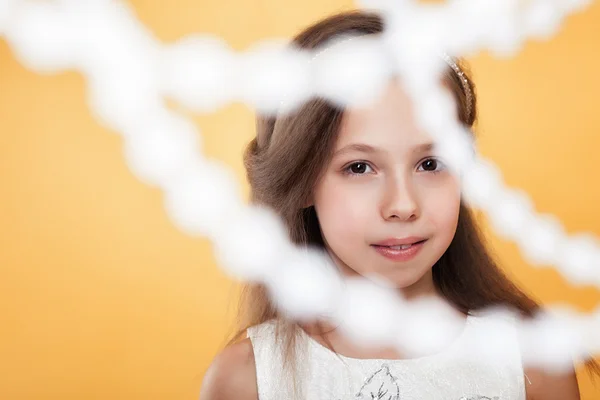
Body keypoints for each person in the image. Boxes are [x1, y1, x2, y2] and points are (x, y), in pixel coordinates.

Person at [200, 9, 595, 400]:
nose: (403, 205)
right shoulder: (248, 379)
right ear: (302, 180)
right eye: (359, 167)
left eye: (430, 163)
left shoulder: (533, 364)